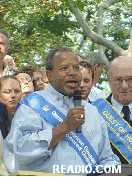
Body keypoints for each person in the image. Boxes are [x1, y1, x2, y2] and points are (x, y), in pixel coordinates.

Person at [3, 47, 120, 175]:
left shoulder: (92, 111)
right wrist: (64, 127)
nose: (73, 73)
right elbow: (21, 149)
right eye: (65, 68)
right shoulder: (32, 105)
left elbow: (107, 158)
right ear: (49, 74)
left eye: (76, 68)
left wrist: (115, 169)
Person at [92, 55, 132, 164]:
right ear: (109, 79)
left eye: (130, 79)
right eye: (118, 79)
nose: (124, 86)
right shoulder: (93, 112)